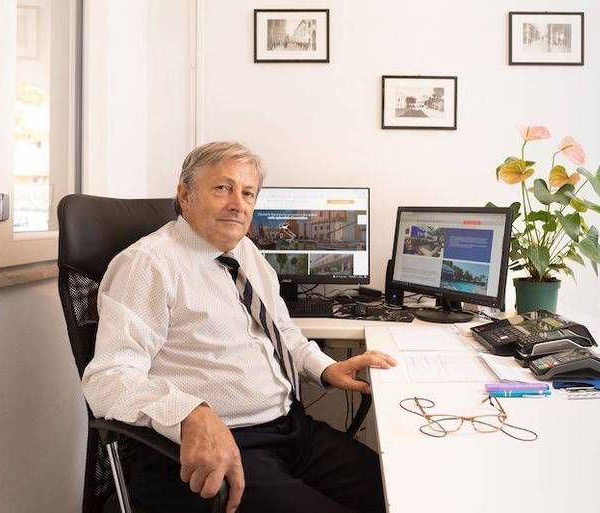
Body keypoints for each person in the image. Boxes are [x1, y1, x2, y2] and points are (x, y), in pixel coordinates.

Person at [82, 141, 396, 513]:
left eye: (248, 193)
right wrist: (189, 412)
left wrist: (326, 368)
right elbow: (108, 377)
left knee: (401, 491)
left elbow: (282, 332)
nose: (238, 203)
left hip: (290, 430)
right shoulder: (148, 265)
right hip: (215, 445)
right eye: (222, 188)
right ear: (185, 195)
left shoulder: (246, 253)